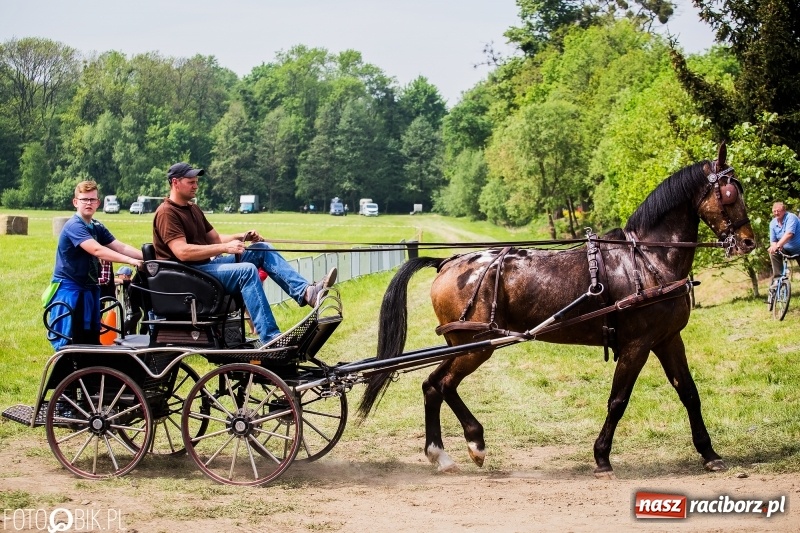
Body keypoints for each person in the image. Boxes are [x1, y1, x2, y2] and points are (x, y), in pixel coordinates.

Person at [152, 162, 336, 346]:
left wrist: (242, 236)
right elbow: (182, 252)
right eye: (191, 181)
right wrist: (225, 249)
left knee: (261, 248)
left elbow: (215, 239)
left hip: (204, 269)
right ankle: (271, 338)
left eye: (196, 181)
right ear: (175, 182)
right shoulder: (167, 213)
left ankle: (306, 292)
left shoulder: (193, 209)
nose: (196, 185)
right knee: (246, 270)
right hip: (190, 275)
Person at [45, 180, 144, 350]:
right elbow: (97, 250)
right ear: (75, 202)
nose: (88, 203)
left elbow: (120, 246)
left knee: (91, 340)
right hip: (71, 293)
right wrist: (130, 261)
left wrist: (150, 257)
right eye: (84, 199)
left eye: (92, 200)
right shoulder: (74, 226)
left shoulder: (96, 226)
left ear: (98, 202)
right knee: (71, 342)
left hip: (90, 290)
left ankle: (91, 373)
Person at [768, 202, 800, 291]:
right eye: (774, 211)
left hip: (799, 249)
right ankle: (777, 279)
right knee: (773, 252)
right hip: (787, 250)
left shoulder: (791, 217)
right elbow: (773, 241)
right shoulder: (773, 223)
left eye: (778, 211)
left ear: (784, 211)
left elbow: (789, 234)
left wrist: (778, 245)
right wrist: (775, 246)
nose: (776, 213)